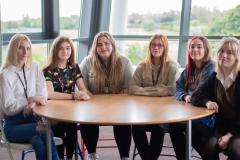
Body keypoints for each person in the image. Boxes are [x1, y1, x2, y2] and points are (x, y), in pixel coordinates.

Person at [0, 34, 58, 160]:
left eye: (28, 48)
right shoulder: (5, 75)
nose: (25, 52)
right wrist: (30, 99)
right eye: (21, 48)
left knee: (38, 142)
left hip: (32, 118)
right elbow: (8, 108)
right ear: (13, 49)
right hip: (12, 125)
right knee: (46, 131)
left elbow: (43, 95)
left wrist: (32, 105)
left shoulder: (34, 67)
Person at [79, 31, 133, 160]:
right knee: (86, 119)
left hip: (118, 107)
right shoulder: (87, 62)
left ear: (113, 45)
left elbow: (128, 88)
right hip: (94, 107)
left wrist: (113, 103)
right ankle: (92, 154)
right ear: (95, 47)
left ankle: (124, 156)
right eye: (99, 45)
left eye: (107, 43)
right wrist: (90, 98)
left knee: (123, 120)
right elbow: (82, 87)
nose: (103, 47)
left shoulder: (124, 62)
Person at [129, 34, 178, 160]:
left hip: (165, 114)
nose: (156, 47)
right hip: (144, 112)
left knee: (159, 127)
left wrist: (144, 90)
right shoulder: (142, 66)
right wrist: (159, 90)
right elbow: (132, 88)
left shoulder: (172, 66)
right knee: (136, 126)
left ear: (165, 47)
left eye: (160, 45)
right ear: (149, 47)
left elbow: (172, 90)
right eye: (153, 44)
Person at [191, 37, 240, 160]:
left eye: (229, 52)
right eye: (221, 51)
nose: (224, 55)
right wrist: (207, 102)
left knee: (235, 150)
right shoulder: (215, 77)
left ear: (237, 57)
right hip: (222, 126)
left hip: (238, 128)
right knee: (209, 148)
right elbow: (196, 96)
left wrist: (229, 135)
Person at [43, 36, 90, 160]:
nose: (65, 51)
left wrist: (82, 94)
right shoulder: (48, 70)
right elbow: (50, 94)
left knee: (71, 128)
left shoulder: (74, 68)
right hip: (53, 111)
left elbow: (83, 88)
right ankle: (59, 157)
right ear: (55, 51)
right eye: (61, 48)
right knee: (59, 128)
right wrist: (73, 96)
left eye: (68, 48)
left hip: (71, 110)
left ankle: (69, 157)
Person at [169, 36, 216, 160]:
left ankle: (211, 157)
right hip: (192, 110)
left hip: (209, 116)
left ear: (206, 49)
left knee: (192, 129)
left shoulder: (211, 66)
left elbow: (199, 94)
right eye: (192, 46)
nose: (195, 49)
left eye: (199, 46)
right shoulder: (190, 67)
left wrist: (192, 97)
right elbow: (177, 88)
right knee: (174, 126)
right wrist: (185, 96)